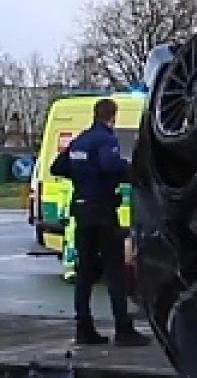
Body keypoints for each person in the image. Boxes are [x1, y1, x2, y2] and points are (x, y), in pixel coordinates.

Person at [50, 98, 151, 347]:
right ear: (112, 117)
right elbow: (110, 165)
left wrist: (83, 176)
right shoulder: (106, 139)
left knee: (85, 272)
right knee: (115, 271)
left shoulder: (80, 140)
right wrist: (135, 174)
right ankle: (123, 330)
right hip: (103, 212)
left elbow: (58, 167)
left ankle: (84, 329)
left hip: (82, 211)